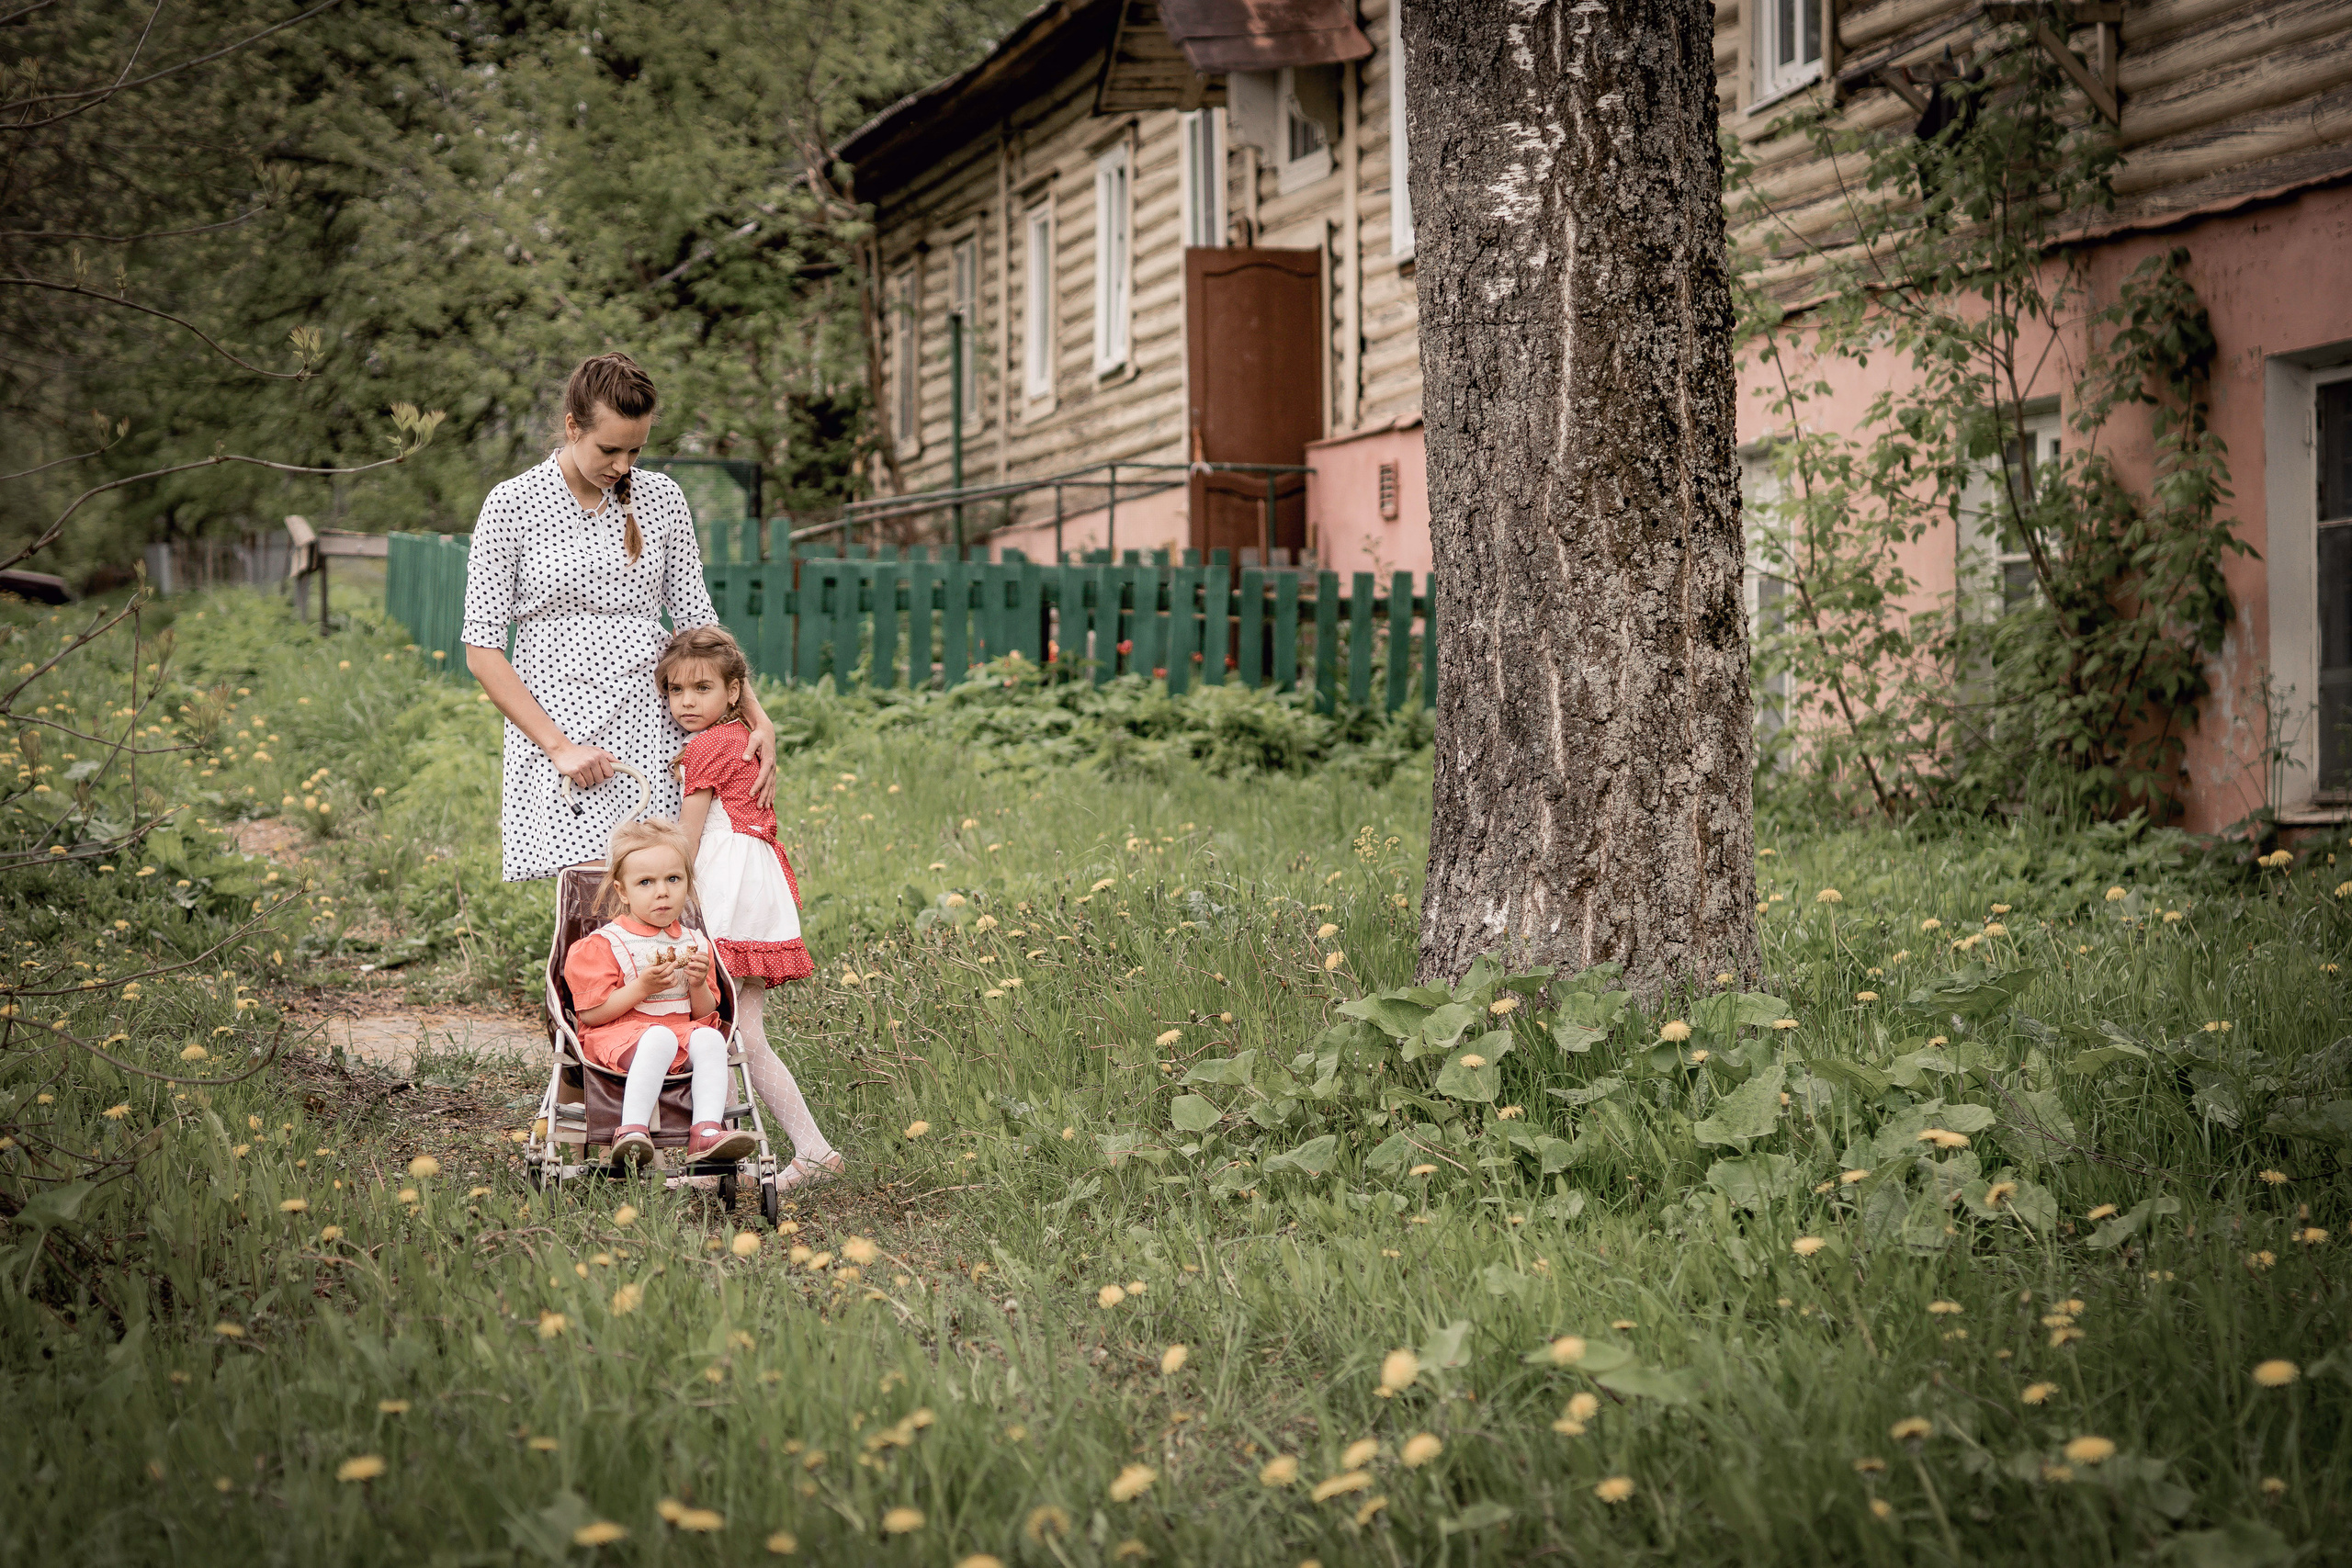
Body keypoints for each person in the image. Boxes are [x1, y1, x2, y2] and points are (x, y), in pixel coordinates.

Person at [462, 351, 779, 883]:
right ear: (572, 427)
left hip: (652, 722)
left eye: (635, 450)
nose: (623, 466)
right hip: (559, 723)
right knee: (592, 894)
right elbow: (482, 648)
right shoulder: (512, 503)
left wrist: (756, 716)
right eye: (609, 448)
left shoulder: (662, 498)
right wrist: (560, 748)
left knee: (660, 886)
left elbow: (698, 627)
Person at [662, 624, 845, 1192]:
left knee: (730, 1030)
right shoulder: (745, 736)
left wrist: (669, 893)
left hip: (726, 883)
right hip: (758, 881)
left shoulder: (707, 746)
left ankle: (808, 1148)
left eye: (701, 689)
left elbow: (689, 838)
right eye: (675, 691)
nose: (686, 703)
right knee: (735, 1031)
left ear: (734, 690)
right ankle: (734, 1160)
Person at [563, 818, 754, 1167]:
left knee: (711, 1039)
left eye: (673, 879)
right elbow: (591, 1014)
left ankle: (707, 1131)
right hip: (618, 1036)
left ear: (688, 884)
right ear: (623, 892)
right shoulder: (606, 944)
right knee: (659, 1039)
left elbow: (703, 1014)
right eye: (646, 882)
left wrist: (697, 984)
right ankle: (632, 1130)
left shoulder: (694, 943)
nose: (662, 891)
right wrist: (641, 988)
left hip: (682, 1032)